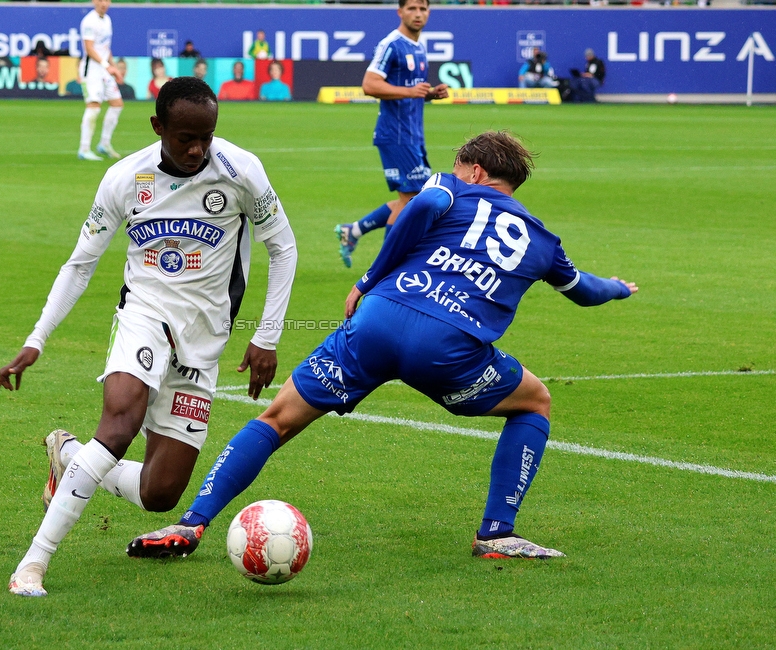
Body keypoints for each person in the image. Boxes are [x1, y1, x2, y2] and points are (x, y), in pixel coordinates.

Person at [128, 131, 639, 563]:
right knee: (535, 401)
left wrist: (369, 280)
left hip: (378, 323)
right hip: (451, 352)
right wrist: (618, 286)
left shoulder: (448, 187)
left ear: (477, 172)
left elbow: (429, 203)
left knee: (276, 420)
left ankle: (192, 525)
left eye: (458, 169)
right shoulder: (542, 241)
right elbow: (587, 293)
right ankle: (497, 533)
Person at [2, 77, 298, 597]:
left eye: (205, 136)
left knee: (161, 493)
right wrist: (37, 337)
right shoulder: (124, 178)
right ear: (158, 126)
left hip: (204, 340)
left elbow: (284, 248)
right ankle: (32, 564)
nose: (196, 149)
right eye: (184, 137)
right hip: (143, 314)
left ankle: (69, 456)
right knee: (118, 424)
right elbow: (80, 264)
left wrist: (268, 337)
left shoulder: (240, 171)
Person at [335, 0, 448, 268]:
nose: (418, 14)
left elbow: (408, 90)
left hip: (413, 135)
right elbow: (369, 84)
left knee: (409, 198)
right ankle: (386, 268)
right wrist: (411, 92)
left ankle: (354, 231)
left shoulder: (419, 46)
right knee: (413, 200)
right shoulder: (392, 44)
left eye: (423, 8)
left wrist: (429, 95)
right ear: (400, 12)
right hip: (396, 134)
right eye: (412, 8)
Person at [77, 0, 125, 161]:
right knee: (94, 107)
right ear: (94, 1)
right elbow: (89, 48)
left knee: (117, 104)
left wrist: (113, 67)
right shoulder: (89, 21)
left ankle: (104, 144)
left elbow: (105, 47)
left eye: (107, 0)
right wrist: (106, 65)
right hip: (92, 71)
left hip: (104, 71)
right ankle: (84, 149)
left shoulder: (107, 20)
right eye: (100, 0)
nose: (104, 3)